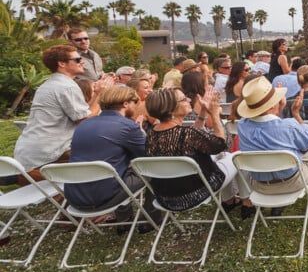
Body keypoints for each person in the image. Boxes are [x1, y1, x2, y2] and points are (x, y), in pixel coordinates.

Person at [64, 86, 161, 230]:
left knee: (117, 171)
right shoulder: (126, 126)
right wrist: (143, 134)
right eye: (136, 103)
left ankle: (124, 220)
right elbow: (148, 157)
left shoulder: (84, 124)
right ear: (126, 104)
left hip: (75, 197)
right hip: (104, 197)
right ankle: (149, 222)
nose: (137, 107)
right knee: (155, 169)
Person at [14, 45, 112, 182]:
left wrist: (96, 93)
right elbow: (85, 121)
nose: (82, 61)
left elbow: (83, 113)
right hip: (50, 153)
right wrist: (101, 94)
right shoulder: (67, 86)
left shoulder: (51, 84)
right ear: (62, 64)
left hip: (29, 150)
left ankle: (16, 177)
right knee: (108, 154)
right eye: (77, 59)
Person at [237, 77, 308, 214]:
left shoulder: (242, 126)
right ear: (273, 104)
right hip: (293, 182)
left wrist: (278, 110)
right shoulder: (289, 125)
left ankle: (278, 205)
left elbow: (268, 126)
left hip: (260, 186)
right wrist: (296, 114)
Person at [144, 88, 241, 212]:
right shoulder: (187, 134)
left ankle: (230, 201)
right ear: (171, 110)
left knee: (220, 157)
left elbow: (193, 138)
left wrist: (203, 112)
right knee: (231, 156)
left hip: (166, 198)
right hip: (195, 193)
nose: (189, 99)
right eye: (184, 99)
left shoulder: (151, 134)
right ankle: (246, 201)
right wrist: (215, 114)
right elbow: (220, 145)